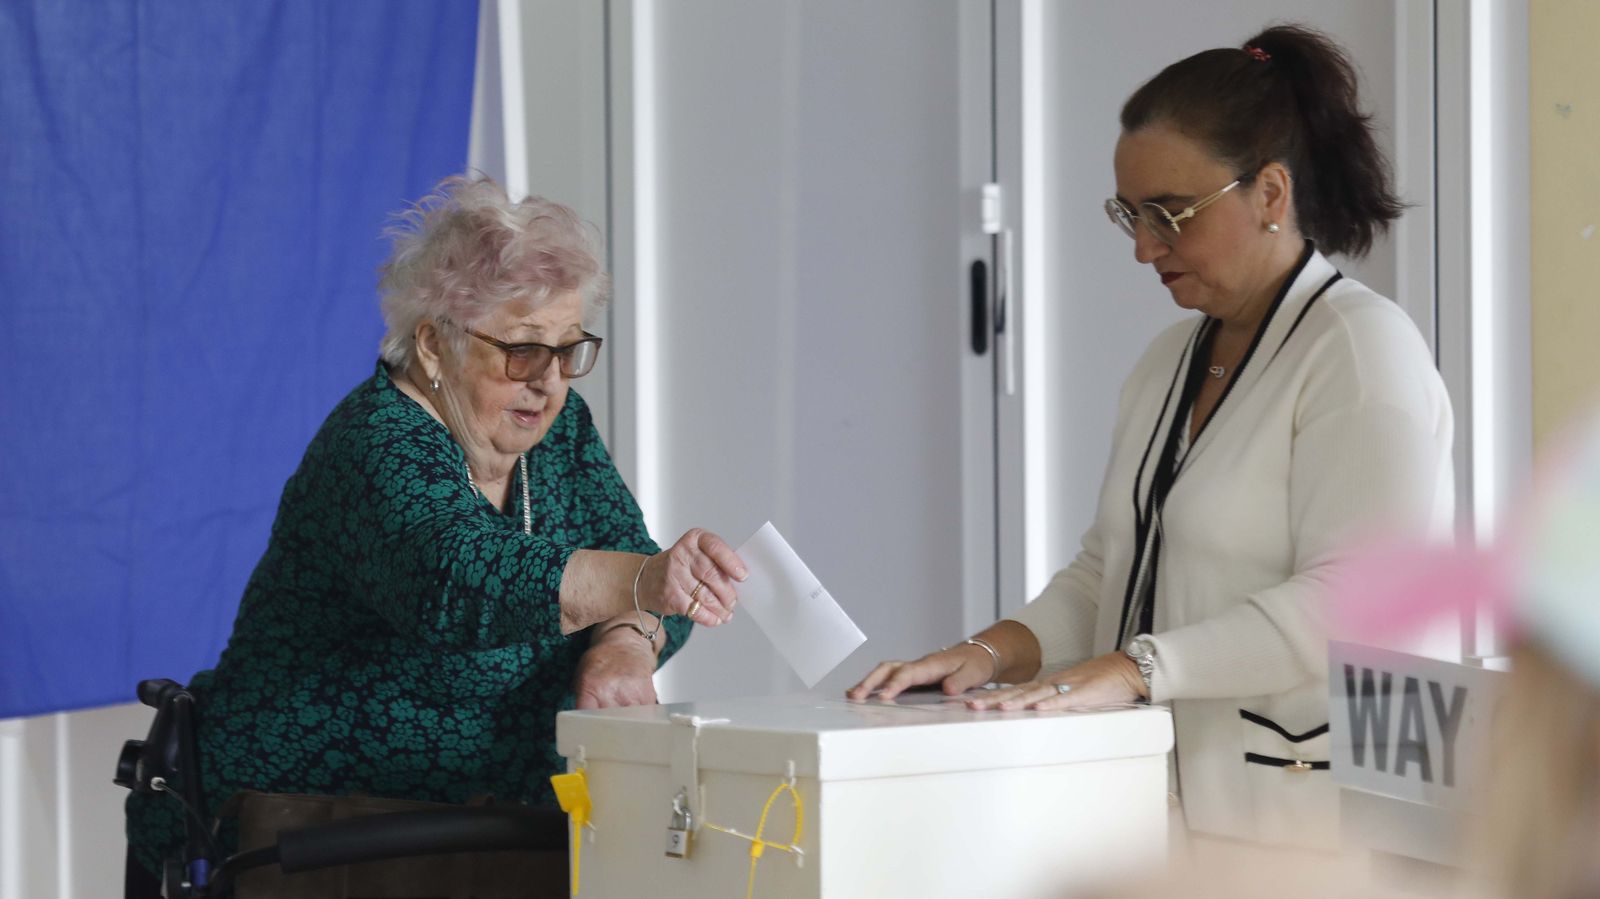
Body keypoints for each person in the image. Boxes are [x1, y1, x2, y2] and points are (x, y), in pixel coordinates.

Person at [850, 25, 1454, 850]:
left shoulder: (1360, 350)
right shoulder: (1170, 359)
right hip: (1167, 815)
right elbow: (1112, 573)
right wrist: (986, 654)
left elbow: (1357, 603)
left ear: (1270, 194)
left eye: (1170, 214)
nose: (1143, 247)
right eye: (1130, 214)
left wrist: (1137, 667)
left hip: (1325, 832)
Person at [124, 175, 747, 893]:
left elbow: (639, 574)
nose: (549, 381)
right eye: (522, 349)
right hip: (312, 843)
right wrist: (644, 580)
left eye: (568, 350)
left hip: (493, 842)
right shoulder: (375, 441)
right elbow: (459, 582)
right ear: (432, 344)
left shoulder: (557, 432)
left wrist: (624, 645)